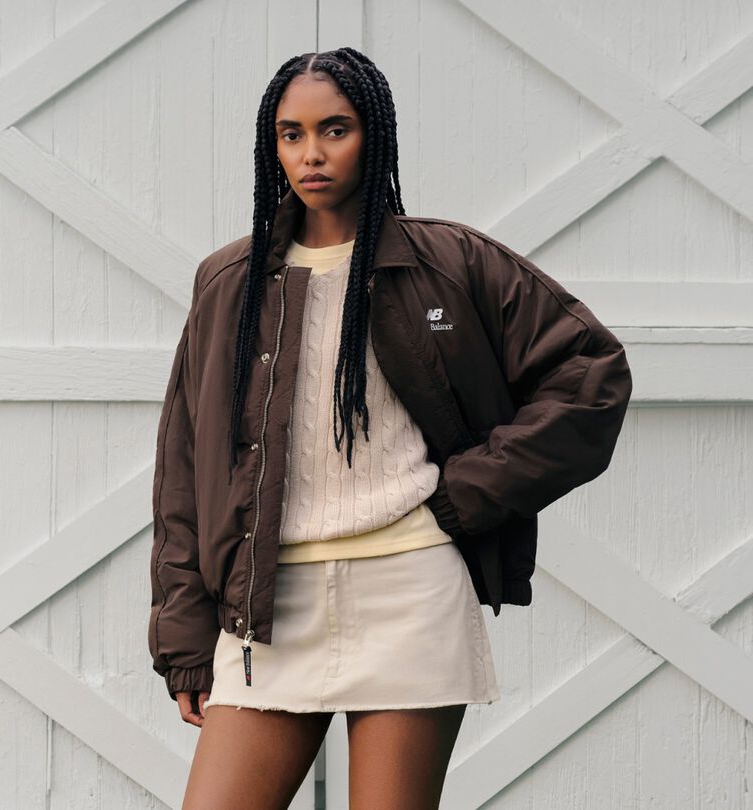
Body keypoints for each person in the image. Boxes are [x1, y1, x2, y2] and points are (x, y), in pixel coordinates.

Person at [147, 47, 633, 809]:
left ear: (374, 134)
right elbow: (185, 470)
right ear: (270, 146)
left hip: (410, 593)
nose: (310, 152)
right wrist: (184, 642)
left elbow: (591, 373)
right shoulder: (229, 283)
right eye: (290, 133)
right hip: (267, 606)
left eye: (334, 129)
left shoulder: (449, 262)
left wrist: (464, 496)